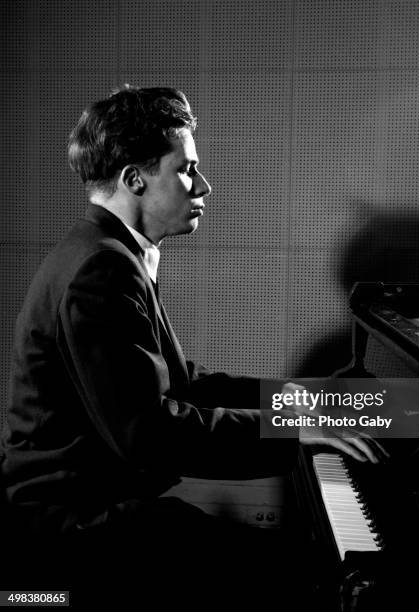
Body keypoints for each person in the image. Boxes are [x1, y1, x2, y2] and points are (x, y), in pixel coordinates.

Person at [0, 85, 384, 610]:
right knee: (291, 579)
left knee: (279, 563)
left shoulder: (105, 252)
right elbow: (151, 433)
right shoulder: (100, 268)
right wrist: (297, 429)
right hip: (66, 531)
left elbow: (186, 385)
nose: (204, 185)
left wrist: (306, 400)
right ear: (135, 179)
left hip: (88, 507)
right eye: (186, 169)